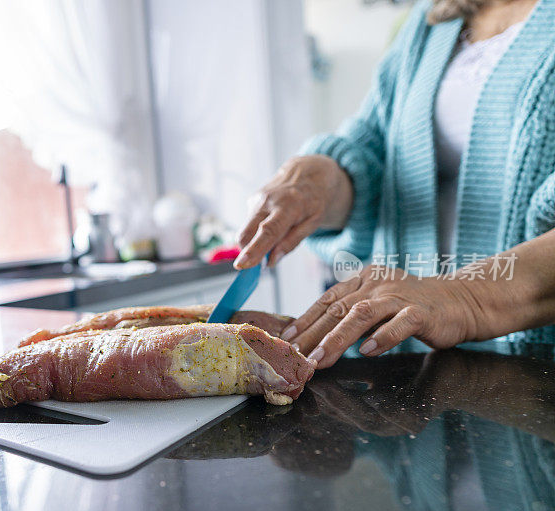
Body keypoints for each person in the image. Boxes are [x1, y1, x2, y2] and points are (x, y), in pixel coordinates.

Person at [235, 0, 555, 368]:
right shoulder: (432, 18)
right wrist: (324, 180)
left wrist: (466, 297)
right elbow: (376, 150)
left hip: (536, 367)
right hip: (412, 361)